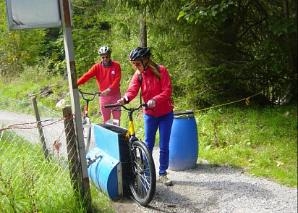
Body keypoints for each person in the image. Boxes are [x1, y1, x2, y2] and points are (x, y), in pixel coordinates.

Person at [117, 47, 174, 186]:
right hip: (150, 115)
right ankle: (147, 173)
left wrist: (155, 100)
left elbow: (167, 90)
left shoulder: (161, 70)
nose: (135, 66)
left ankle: (162, 174)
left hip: (166, 113)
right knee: (148, 145)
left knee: (164, 145)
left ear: (146, 60)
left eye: (137, 63)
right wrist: (125, 99)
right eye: (133, 64)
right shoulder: (139, 74)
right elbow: (132, 90)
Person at [77, 45, 121, 125]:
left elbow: (117, 80)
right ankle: (107, 136)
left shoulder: (116, 66)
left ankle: (117, 136)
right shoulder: (96, 67)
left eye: (106, 57)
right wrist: (76, 84)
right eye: (103, 57)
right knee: (106, 121)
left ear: (110, 56)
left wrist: (109, 89)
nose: (105, 59)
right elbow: (87, 76)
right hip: (104, 97)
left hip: (115, 96)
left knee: (116, 121)